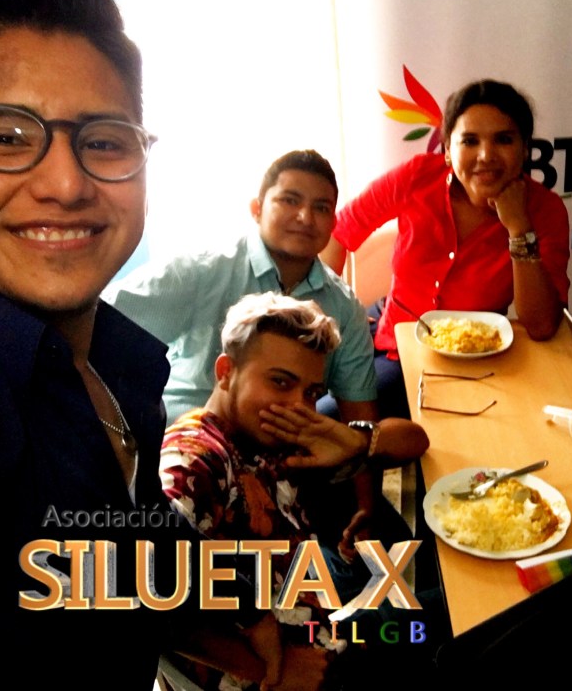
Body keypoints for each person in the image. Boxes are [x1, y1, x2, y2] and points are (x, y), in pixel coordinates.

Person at [0, 0, 217, 685]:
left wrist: (231, 622)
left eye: (103, 140)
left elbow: (132, 543)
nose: (67, 184)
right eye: (4, 136)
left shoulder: (122, 366)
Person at [159, 292, 432, 690]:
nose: (297, 406)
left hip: (309, 608)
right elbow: (144, 589)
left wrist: (357, 442)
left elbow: (416, 441)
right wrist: (270, 670)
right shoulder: (194, 460)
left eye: (310, 393)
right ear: (226, 372)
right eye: (280, 382)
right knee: (457, 619)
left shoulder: (273, 437)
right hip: (289, 667)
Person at [322, 80, 570, 417]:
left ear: (525, 149)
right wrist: (333, 313)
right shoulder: (418, 177)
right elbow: (338, 232)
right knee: (305, 404)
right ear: (448, 150)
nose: (486, 155)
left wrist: (519, 228)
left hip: (465, 362)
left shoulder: (545, 209)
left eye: (503, 139)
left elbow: (541, 325)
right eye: (470, 141)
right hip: (388, 330)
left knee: (328, 418)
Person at [105, 149, 378, 425]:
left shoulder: (344, 309)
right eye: (290, 200)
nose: (305, 217)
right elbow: (97, 321)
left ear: (333, 223)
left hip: (283, 446)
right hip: (187, 436)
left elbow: (361, 422)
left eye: (321, 208)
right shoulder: (202, 271)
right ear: (256, 210)